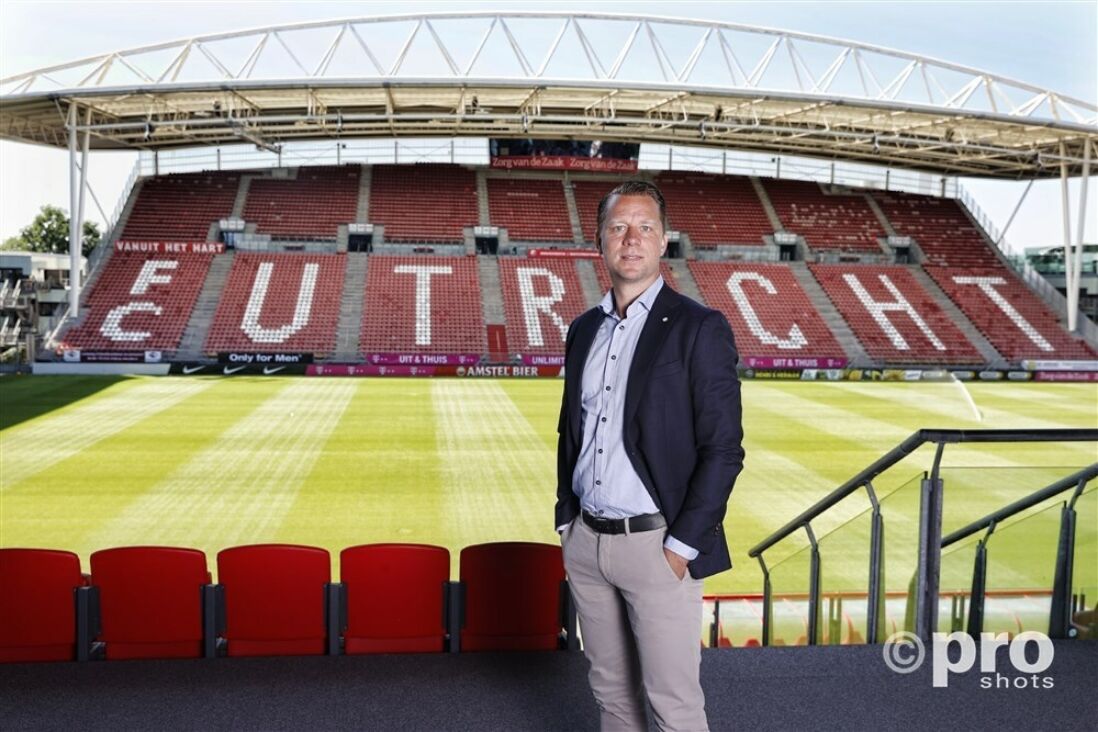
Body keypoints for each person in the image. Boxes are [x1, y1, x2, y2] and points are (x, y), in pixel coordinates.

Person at [556, 180, 745, 731]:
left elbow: (723, 450)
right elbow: (574, 429)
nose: (631, 239)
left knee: (673, 704)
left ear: (664, 241)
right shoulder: (583, 329)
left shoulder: (699, 327)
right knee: (611, 696)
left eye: (644, 228)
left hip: (658, 547)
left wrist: (681, 547)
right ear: (600, 242)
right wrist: (567, 520)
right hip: (587, 544)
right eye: (618, 227)